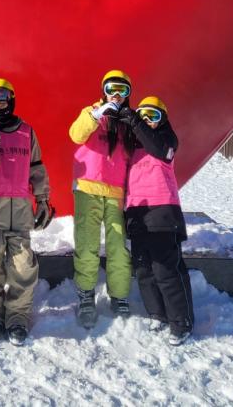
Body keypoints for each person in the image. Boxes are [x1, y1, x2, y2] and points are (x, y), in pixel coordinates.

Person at [0, 77, 53, 346]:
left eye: (1, 98)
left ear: (11, 100)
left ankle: (17, 316)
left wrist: (42, 200)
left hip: (19, 211)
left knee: (23, 266)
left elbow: (37, 167)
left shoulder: (26, 132)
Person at [124, 96, 194, 347]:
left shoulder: (166, 141)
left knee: (165, 269)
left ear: (163, 119)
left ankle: (181, 321)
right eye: (143, 117)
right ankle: (157, 313)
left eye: (153, 117)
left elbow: (156, 148)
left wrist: (135, 121)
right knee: (143, 268)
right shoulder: (133, 146)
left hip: (163, 211)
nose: (147, 122)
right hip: (136, 211)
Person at [69, 69, 135, 328]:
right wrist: (96, 114)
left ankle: (119, 295)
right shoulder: (92, 113)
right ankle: (86, 295)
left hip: (117, 192)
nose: (117, 96)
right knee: (87, 244)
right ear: (103, 91)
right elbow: (76, 134)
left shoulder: (128, 121)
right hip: (88, 189)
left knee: (119, 247)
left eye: (123, 90)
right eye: (111, 90)